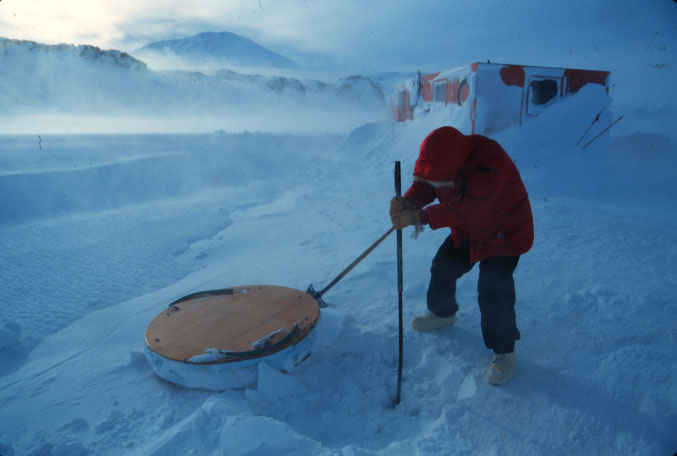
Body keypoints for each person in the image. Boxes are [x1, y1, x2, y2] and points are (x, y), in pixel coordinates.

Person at [390, 126, 534, 385]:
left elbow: (467, 208)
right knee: (443, 266)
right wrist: (409, 202)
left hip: (505, 233)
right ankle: (443, 315)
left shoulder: (491, 162)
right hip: (470, 229)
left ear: (456, 165)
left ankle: (504, 353)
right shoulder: (448, 158)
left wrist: (420, 216)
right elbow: (429, 183)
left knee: (493, 290)